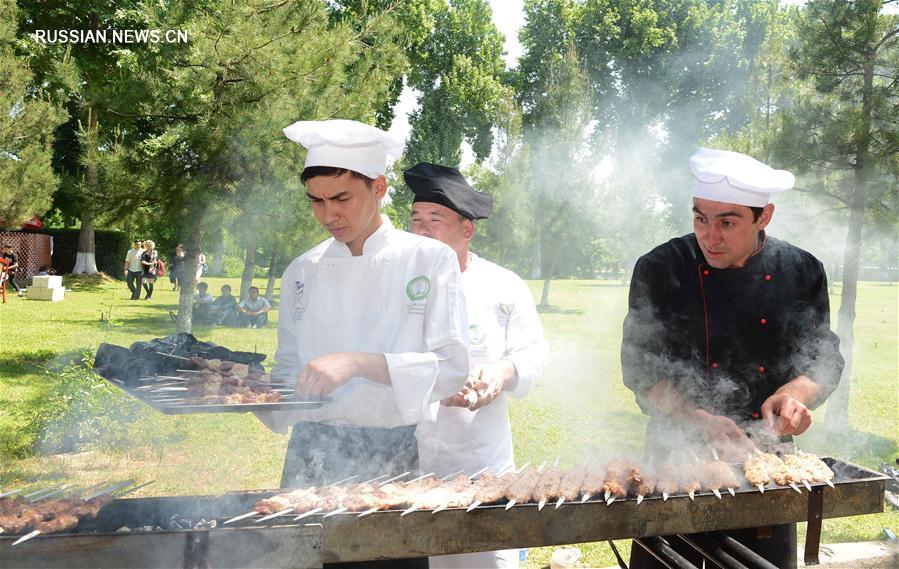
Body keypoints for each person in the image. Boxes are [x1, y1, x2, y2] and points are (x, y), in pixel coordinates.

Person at [257, 120, 469, 569]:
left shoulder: (429, 259)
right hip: (310, 453)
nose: (327, 214)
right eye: (315, 200)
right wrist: (266, 402)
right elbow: (289, 366)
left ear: (379, 188)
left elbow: (452, 368)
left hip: (388, 457)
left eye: (340, 199)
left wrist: (358, 362)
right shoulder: (303, 269)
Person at [621, 148, 844, 569]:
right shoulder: (660, 268)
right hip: (675, 459)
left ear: (765, 217)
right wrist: (699, 421)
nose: (710, 236)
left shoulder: (802, 270)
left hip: (764, 462)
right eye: (700, 218)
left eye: (727, 221)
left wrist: (796, 395)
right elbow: (640, 369)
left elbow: (823, 359)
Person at [406, 162, 550, 569]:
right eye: (416, 220)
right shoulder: (398, 285)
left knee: (488, 561)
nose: (421, 230)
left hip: (483, 462)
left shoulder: (504, 285)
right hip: (408, 462)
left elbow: (535, 352)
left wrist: (502, 374)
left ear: (466, 230)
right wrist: (433, 385)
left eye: (436, 219)